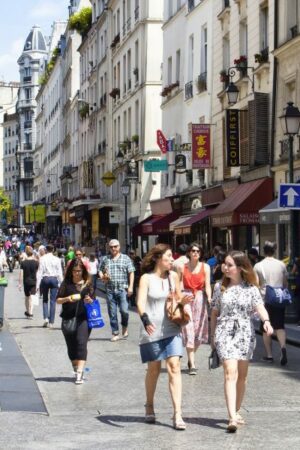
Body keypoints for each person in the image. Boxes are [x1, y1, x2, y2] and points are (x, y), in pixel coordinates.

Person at [210, 250, 273, 432]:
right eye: (225, 264)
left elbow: (259, 307)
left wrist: (266, 322)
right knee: (230, 372)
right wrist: (213, 337)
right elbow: (214, 313)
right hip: (225, 332)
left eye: (230, 265)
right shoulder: (218, 287)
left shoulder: (251, 288)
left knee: (242, 376)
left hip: (245, 333)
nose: (225, 267)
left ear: (240, 268)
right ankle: (231, 417)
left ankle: (236, 410)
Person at [137, 243, 194, 430]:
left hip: (171, 327)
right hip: (152, 328)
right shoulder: (146, 278)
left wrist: (183, 301)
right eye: (168, 256)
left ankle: (177, 413)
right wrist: (145, 319)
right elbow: (140, 302)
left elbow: (177, 298)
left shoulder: (174, 277)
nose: (172, 259)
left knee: (174, 366)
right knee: (153, 369)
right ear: (158, 258)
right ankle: (149, 404)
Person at [56, 258, 94, 384]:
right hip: (68, 318)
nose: (77, 273)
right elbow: (58, 300)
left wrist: (89, 300)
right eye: (74, 271)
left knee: (81, 343)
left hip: (83, 318)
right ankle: (76, 367)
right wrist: (68, 298)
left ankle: (80, 373)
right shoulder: (66, 283)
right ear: (71, 271)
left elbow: (93, 299)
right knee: (71, 348)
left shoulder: (87, 283)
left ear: (83, 271)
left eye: (79, 271)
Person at [177, 243, 211, 375]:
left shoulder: (206, 267)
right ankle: (192, 363)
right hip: (186, 298)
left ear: (201, 253)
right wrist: (180, 298)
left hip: (199, 299)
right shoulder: (182, 266)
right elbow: (179, 283)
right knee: (189, 329)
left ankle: (190, 357)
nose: (195, 253)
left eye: (198, 251)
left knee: (198, 332)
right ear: (189, 253)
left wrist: (209, 297)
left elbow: (207, 285)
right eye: (193, 250)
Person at [254, 241, 289, 365]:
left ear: (263, 251)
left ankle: (269, 355)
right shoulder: (281, 265)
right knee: (280, 325)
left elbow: (256, 285)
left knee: (266, 327)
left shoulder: (258, 266)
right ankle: (283, 347)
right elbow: (285, 283)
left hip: (265, 300)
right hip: (279, 299)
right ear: (274, 250)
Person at [99, 239, 135, 341]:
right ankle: (115, 333)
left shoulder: (125, 258)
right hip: (110, 289)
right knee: (112, 313)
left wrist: (131, 287)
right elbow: (100, 270)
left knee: (124, 311)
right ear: (109, 248)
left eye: (115, 246)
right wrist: (103, 277)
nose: (113, 249)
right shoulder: (106, 259)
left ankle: (124, 326)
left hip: (122, 289)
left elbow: (131, 272)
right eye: (111, 247)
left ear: (119, 247)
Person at [36, 244, 63, 328]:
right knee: (53, 301)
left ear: (46, 250)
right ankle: (51, 321)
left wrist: (37, 285)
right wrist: (62, 283)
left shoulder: (42, 259)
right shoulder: (57, 259)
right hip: (54, 279)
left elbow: (40, 272)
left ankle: (45, 318)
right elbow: (59, 273)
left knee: (45, 299)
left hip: (45, 279)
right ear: (53, 249)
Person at [18, 246, 39, 319]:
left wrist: (19, 284)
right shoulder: (36, 262)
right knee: (32, 297)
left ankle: (28, 311)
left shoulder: (23, 263)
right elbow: (37, 273)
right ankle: (30, 312)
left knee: (27, 297)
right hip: (34, 281)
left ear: (26, 253)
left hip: (26, 282)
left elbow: (21, 274)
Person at [291, 256, 300, 326]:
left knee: (298, 301)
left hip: (299, 282)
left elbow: (293, 272)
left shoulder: (298, 261)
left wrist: (296, 273)